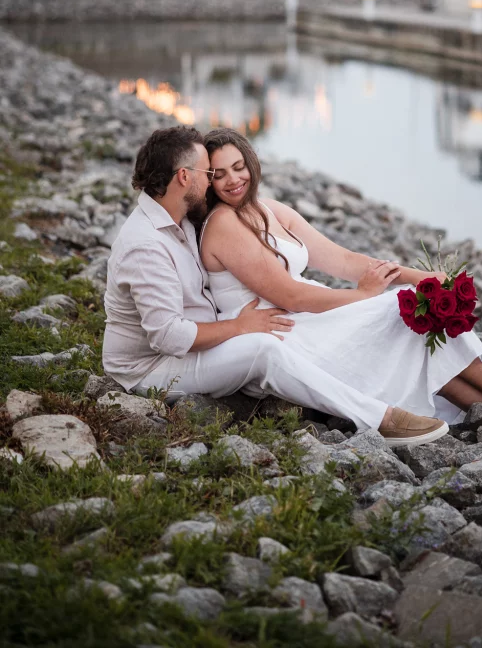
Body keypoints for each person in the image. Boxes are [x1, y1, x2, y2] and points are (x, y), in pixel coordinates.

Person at [200, 128, 482, 443]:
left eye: (239, 167)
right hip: (284, 333)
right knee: (402, 313)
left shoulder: (270, 210)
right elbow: (290, 295)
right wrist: (363, 297)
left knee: (417, 313)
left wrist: (425, 278)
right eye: (219, 175)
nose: (233, 180)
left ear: (251, 162)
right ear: (208, 182)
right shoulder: (223, 224)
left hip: (306, 319)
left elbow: (349, 261)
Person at [102, 126, 451, 447]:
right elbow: (169, 338)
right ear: (184, 177)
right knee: (263, 349)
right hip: (150, 368)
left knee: (275, 340)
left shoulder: (179, 221)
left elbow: (338, 259)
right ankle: (380, 418)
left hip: (191, 343)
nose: (212, 183)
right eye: (209, 174)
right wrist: (239, 327)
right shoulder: (146, 243)